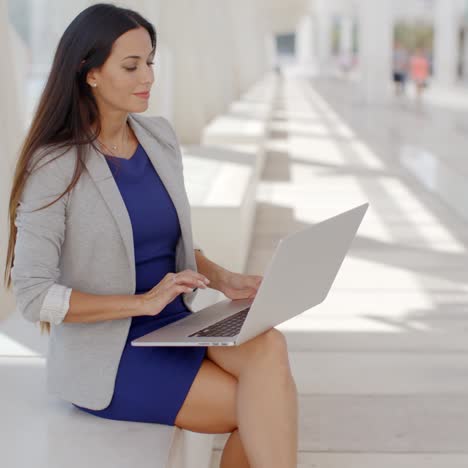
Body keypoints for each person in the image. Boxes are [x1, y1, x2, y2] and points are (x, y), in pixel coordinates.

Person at [4, 4, 298, 467]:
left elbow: (166, 242)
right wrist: (140, 303)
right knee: (258, 405)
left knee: (270, 345)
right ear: (90, 73)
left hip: (175, 327)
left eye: (150, 62)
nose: (149, 77)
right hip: (111, 354)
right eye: (131, 65)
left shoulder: (158, 137)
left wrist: (223, 279)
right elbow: (33, 296)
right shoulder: (55, 165)